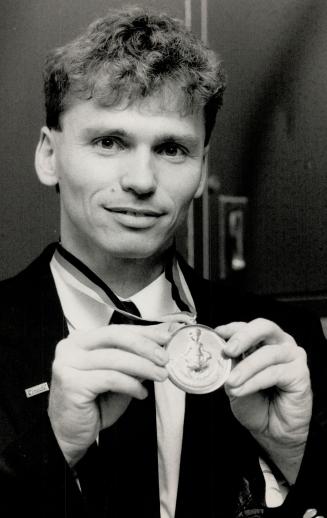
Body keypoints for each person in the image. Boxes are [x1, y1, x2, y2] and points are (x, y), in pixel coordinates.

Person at [0, 7, 326, 518]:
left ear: (200, 172)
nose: (142, 180)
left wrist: (294, 450)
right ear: (49, 155)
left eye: (173, 149)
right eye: (109, 142)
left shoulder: (287, 342)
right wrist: (54, 444)